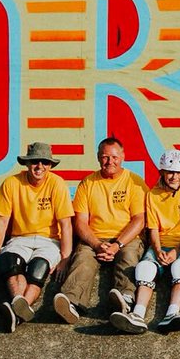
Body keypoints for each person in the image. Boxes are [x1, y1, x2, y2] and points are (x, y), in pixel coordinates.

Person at [52, 136, 146, 325]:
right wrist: (96, 244)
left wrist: (117, 245)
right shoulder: (87, 183)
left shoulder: (134, 182)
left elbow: (139, 220)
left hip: (126, 238)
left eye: (114, 157)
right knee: (82, 259)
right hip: (95, 238)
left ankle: (126, 299)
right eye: (105, 157)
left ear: (123, 157)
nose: (109, 161)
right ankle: (71, 302)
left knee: (128, 256)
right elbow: (80, 222)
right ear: (98, 157)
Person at [0, 142, 74, 332]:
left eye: (44, 162)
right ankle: (20, 305)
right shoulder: (12, 183)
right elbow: (1, 222)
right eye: (35, 162)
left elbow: (66, 224)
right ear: (27, 163)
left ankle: (15, 312)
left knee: (38, 268)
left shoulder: (57, 183)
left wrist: (65, 259)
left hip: (49, 240)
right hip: (20, 239)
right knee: (9, 261)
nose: (39, 166)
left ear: (50, 165)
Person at [110, 148, 180, 335]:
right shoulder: (152, 195)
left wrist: (176, 250)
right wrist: (158, 250)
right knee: (145, 269)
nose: (174, 177)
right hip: (159, 243)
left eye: (178, 172)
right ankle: (137, 315)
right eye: (169, 172)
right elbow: (153, 228)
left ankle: (172, 313)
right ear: (162, 172)